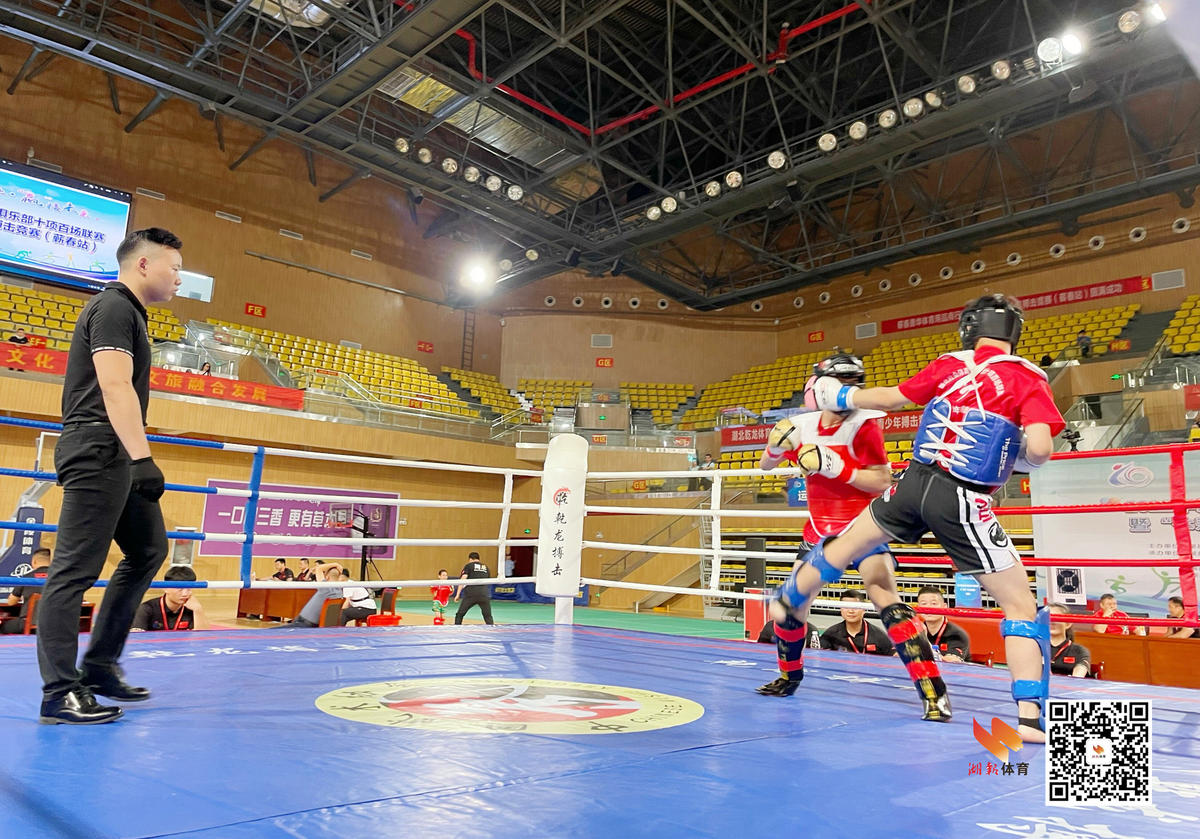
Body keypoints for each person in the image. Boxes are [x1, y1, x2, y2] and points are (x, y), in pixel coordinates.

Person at [771, 293, 1065, 744]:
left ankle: (792, 595)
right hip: (961, 497)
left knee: (848, 548)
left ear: (969, 329)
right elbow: (1041, 450)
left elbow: (892, 398)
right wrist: (1015, 451)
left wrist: (842, 396)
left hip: (911, 483)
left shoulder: (948, 364)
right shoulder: (1027, 377)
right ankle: (1029, 719)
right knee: (1021, 608)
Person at [36, 227, 182, 726]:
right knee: (74, 570)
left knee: (148, 549)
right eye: (173, 267)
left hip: (114, 448)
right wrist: (142, 458)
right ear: (143, 264)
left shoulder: (132, 314)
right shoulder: (115, 307)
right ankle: (59, 692)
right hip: (98, 446)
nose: (178, 278)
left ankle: (98, 665)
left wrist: (134, 457)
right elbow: (115, 385)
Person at [754, 353, 949, 722]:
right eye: (839, 383)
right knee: (791, 609)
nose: (845, 390)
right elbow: (766, 466)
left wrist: (837, 468)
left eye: (851, 383)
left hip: (863, 528)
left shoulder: (864, 424)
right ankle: (789, 676)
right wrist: (773, 448)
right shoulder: (800, 425)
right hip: (819, 530)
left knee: (885, 598)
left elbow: (882, 480)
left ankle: (933, 692)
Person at [131, 565, 208, 631]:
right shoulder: (146, 609)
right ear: (165, 588)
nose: (185, 594)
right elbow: (136, 638)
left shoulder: (191, 609)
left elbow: (202, 639)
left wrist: (198, 610)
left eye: (189, 589)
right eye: (179, 588)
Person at [819, 590, 895, 656]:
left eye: (855, 607)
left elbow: (893, 658)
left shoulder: (879, 636)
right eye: (846, 607)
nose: (851, 611)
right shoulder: (830, 634)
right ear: (841, 609)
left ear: (864, 609)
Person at [1, 547, 52, 634]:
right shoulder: (59, 578)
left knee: (3, 627)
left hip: (27, 623)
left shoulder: (27, 578)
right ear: (50, 562)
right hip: (53, 624)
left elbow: (11, 602)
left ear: (34, 562)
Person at [915, 587, 972, 662]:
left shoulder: (957, 634)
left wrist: (925, 642)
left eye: (934, 603)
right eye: (924, 604)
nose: (928, 607)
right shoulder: (915, 631)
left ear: (944, 607)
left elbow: (952, 661)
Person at [287, 561, 344, 627]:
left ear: (327, 577)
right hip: (315, 625)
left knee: (276, 630)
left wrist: (336, 564)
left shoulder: (325, 587)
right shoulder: (340, 592)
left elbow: (319, 568)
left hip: (304, 623)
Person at [1047, 603, 1091, 677]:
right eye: (1048, 618)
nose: (1051, 622)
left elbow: (1078, 677)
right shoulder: (1035, 648)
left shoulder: (1079, 651)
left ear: (1068, 624)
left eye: (1056, 618)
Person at [454, 551, 494, 625]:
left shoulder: (469, 565)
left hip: (471, 594)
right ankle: (492, 629)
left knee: (460, 614)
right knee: (488, 616)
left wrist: (457, 594)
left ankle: (457, 629)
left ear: (470, 559)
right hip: (484, 594)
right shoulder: (486, 567)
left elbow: (463, 579)